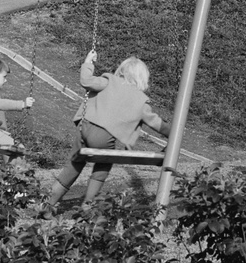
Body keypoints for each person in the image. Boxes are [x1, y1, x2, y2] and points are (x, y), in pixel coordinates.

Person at [50, 52, 165, 204]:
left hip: (83, 129)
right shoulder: (141, 101)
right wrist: (175, 136)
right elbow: (157, 124)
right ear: (143, 78)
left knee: (74, 164)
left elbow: (85, 80)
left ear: (121, 71)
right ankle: (88, 206)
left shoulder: (109, 81)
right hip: (102, 137)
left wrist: (88, 63)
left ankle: (48, 204)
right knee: (103, 165)